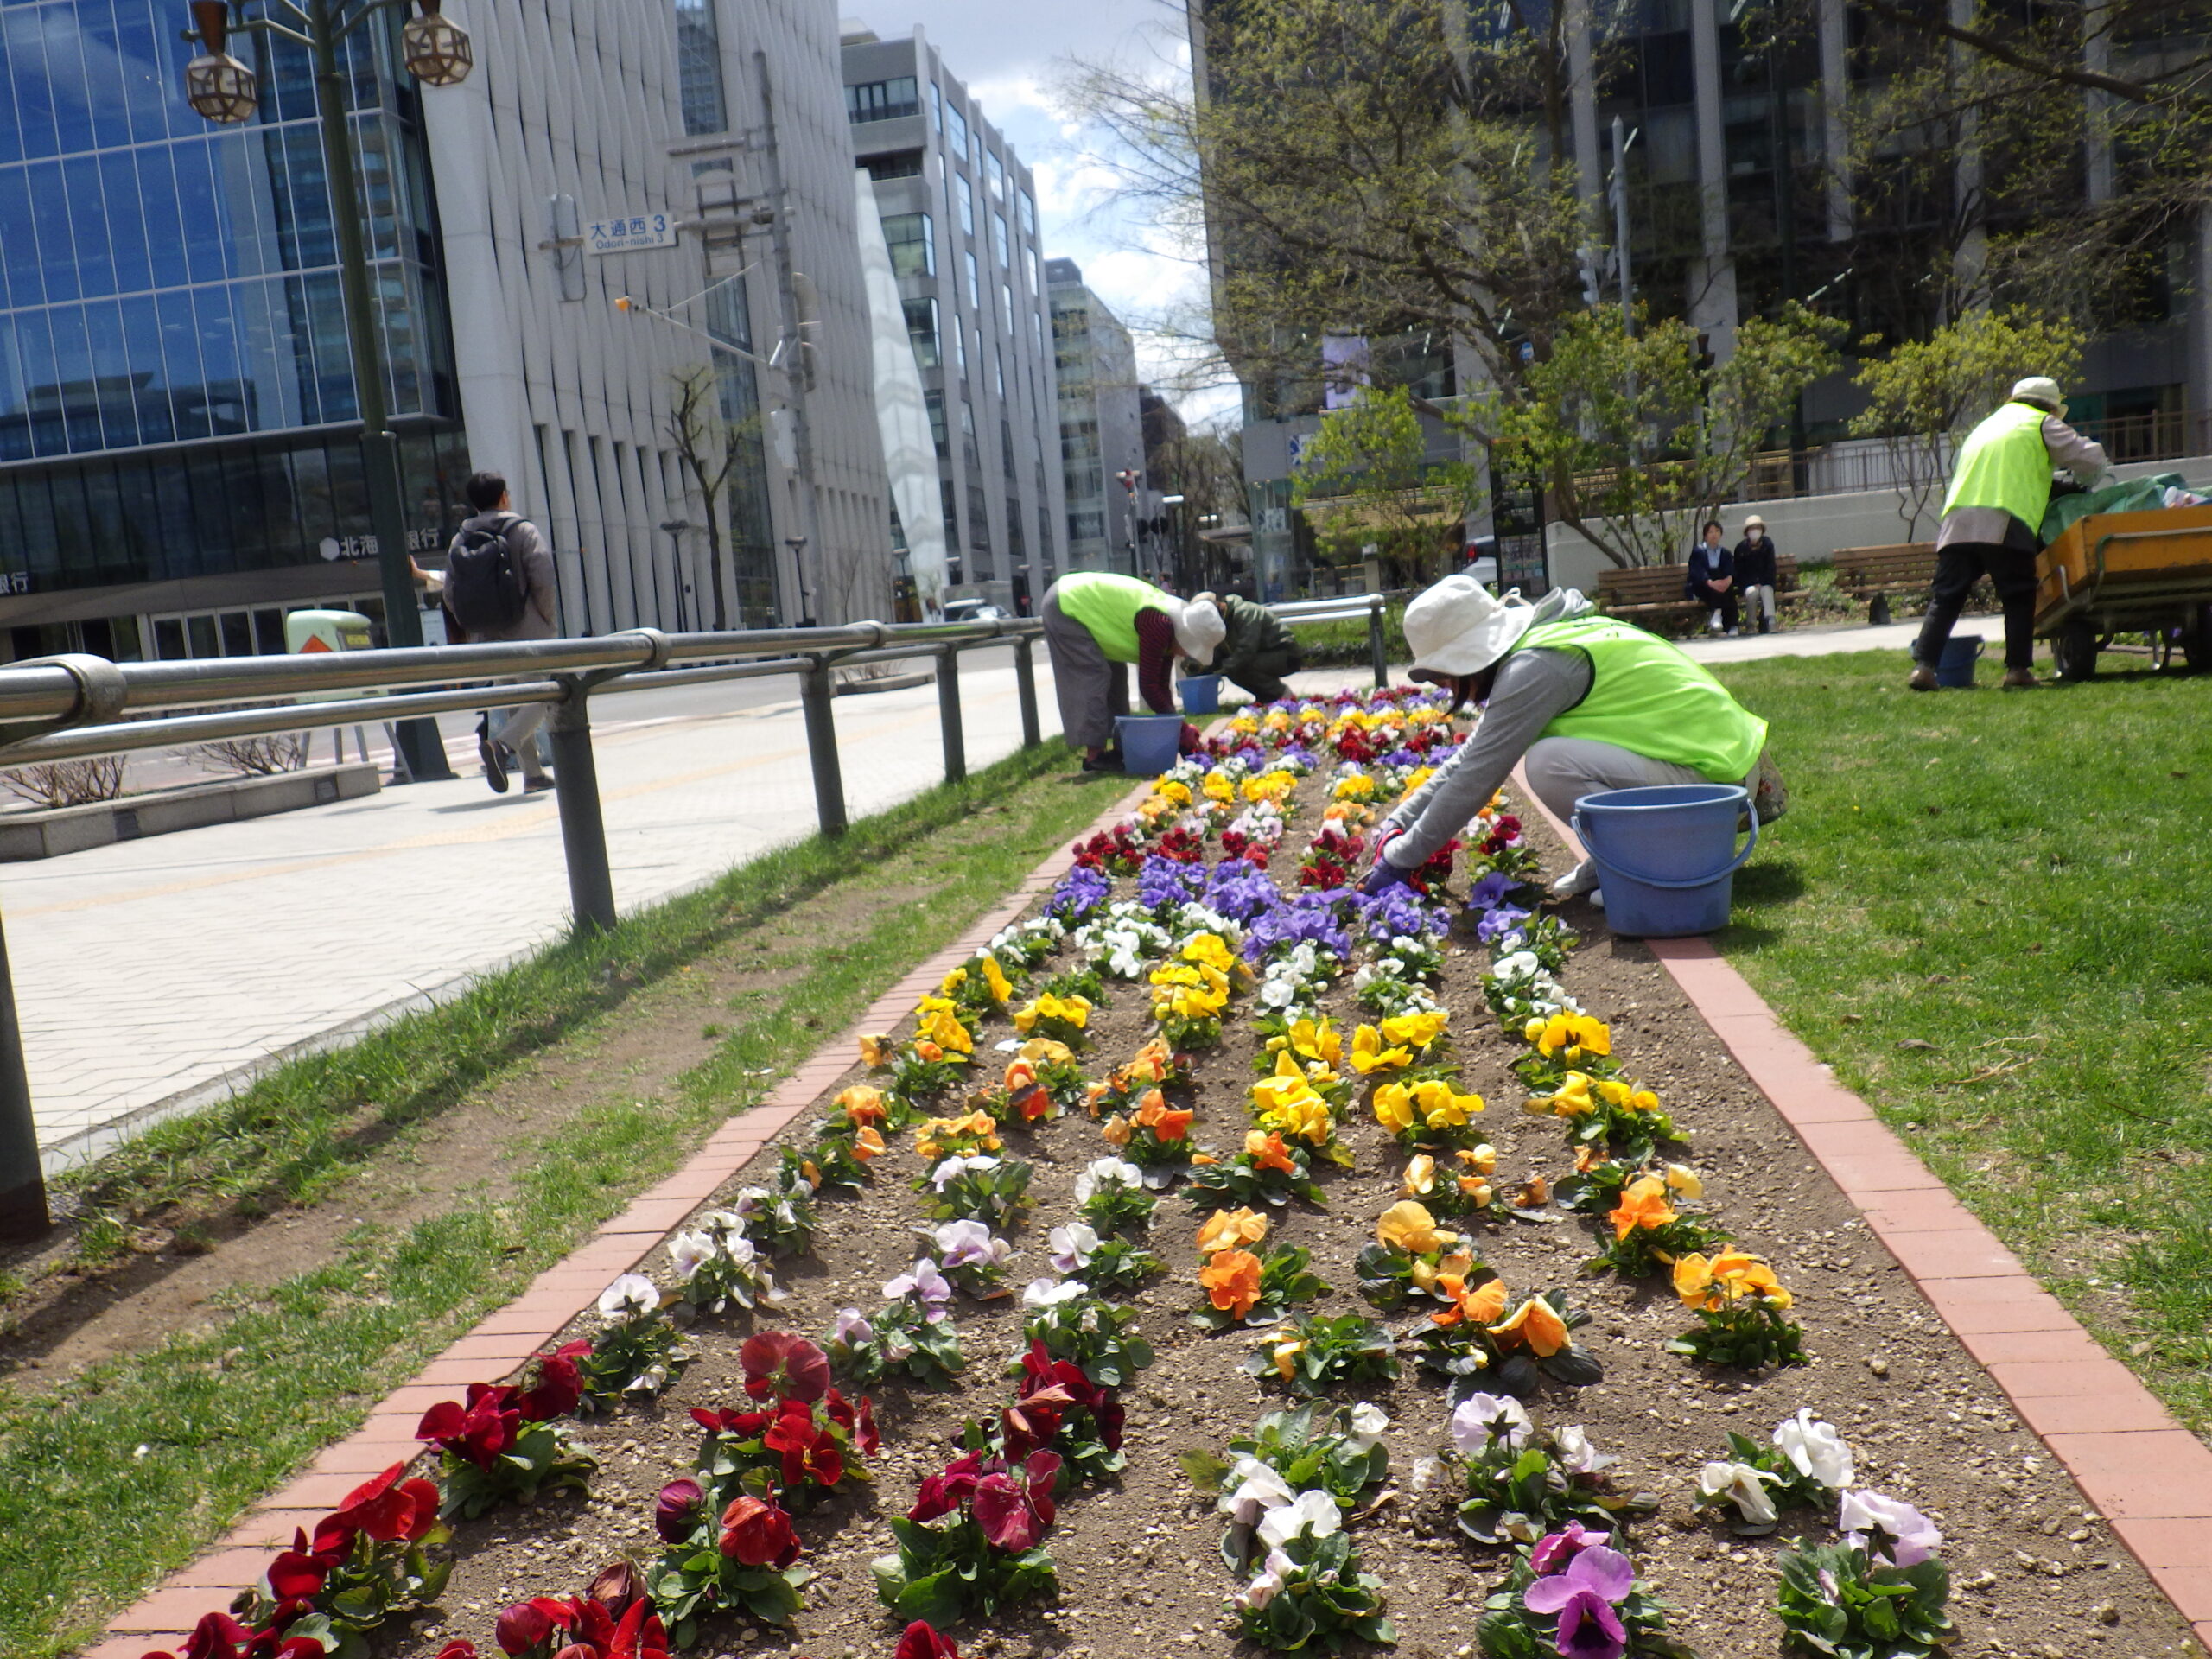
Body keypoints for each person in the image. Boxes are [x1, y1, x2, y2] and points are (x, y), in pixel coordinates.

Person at [1359, 575, 1786, 903]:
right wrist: (1400, 824)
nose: (1447, 688)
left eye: (1443, 675)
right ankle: (1621, 862)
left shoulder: (1536, 667)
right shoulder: (1542, 642)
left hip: (1717, 787)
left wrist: (1402, 858)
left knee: (1549, 763)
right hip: (1718, 772)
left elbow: (1477, 775)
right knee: (1549, 757)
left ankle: (1654, 872)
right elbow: (1470, 756)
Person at [1910, 376, 2108, 690]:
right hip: (2003, 518)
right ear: (2050, 407)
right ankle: (2017, 670)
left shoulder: (1986, 426)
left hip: (1957, 520)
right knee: (2018, 595)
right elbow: (2091, 458)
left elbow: (2005, 472)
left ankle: (1924, 668)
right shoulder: (2039, 422)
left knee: (1947, 596)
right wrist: (2087, 481)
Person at [443, 470, 560, 794]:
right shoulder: (522, 530)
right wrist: (546, 620)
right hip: (528, 632)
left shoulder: (460, 539)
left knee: (513, 700)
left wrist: (475, 623)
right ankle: (502, 745)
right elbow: (543, 580)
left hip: (487, 638)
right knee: (545, 693)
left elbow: (450, 593)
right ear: (504, 497)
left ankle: (533, 775)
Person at [1039, 571, 1223, 771]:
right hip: (1066, 604)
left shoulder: (1171, 625)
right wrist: (1180, 728)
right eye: (1192, 649)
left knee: (1116, 677)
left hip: (1083, 605)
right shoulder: (1159, 625)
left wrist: (1178, 727)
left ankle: (1121, 748)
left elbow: (1161, 684)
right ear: (1188, 637)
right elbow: (1149, 687)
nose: (1188, 655)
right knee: (1094, 675)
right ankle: (1095, 756)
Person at [1194, 588, 1303, 704]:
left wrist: (1222, 669)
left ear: (1219, 605)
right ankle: (1265, 698)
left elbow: (1247, 649)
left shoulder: (1246, 612)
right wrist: (1202, 668)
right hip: (1261, 654)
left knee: (1241, 666)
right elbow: (1217, 652)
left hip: (1284, 653)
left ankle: (1283, 695)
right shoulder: (1219, 622)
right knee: (1234, 669)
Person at [1684, 520, 1738, 635]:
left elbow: (1730, 569)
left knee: (1728, 590)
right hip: (1702, 586)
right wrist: (1710, 582)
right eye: (1711, 532)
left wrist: (1728, 580)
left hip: (1721, 586)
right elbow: (1696, 572)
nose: (1714, 534)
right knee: (1717, 585)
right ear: (1705, 535)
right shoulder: (1698, 552)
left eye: (1717, 531)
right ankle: (1718, 615)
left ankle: (1732, 626)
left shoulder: (1725, 553)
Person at [1733, 514, 1779, 635]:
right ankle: (1751, 624)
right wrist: (1752, 583)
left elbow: (1771, 567)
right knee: (1752, 593)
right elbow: (1739, 572)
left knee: (1767, 590)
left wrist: (1762, 582)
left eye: (1758, 528)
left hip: (1766, 582)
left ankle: (1771, 622)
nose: (1755, 531)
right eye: (1752, 528)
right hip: (1748, 584)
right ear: (1747, 531)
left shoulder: (1767, 544)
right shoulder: (1740, 548)